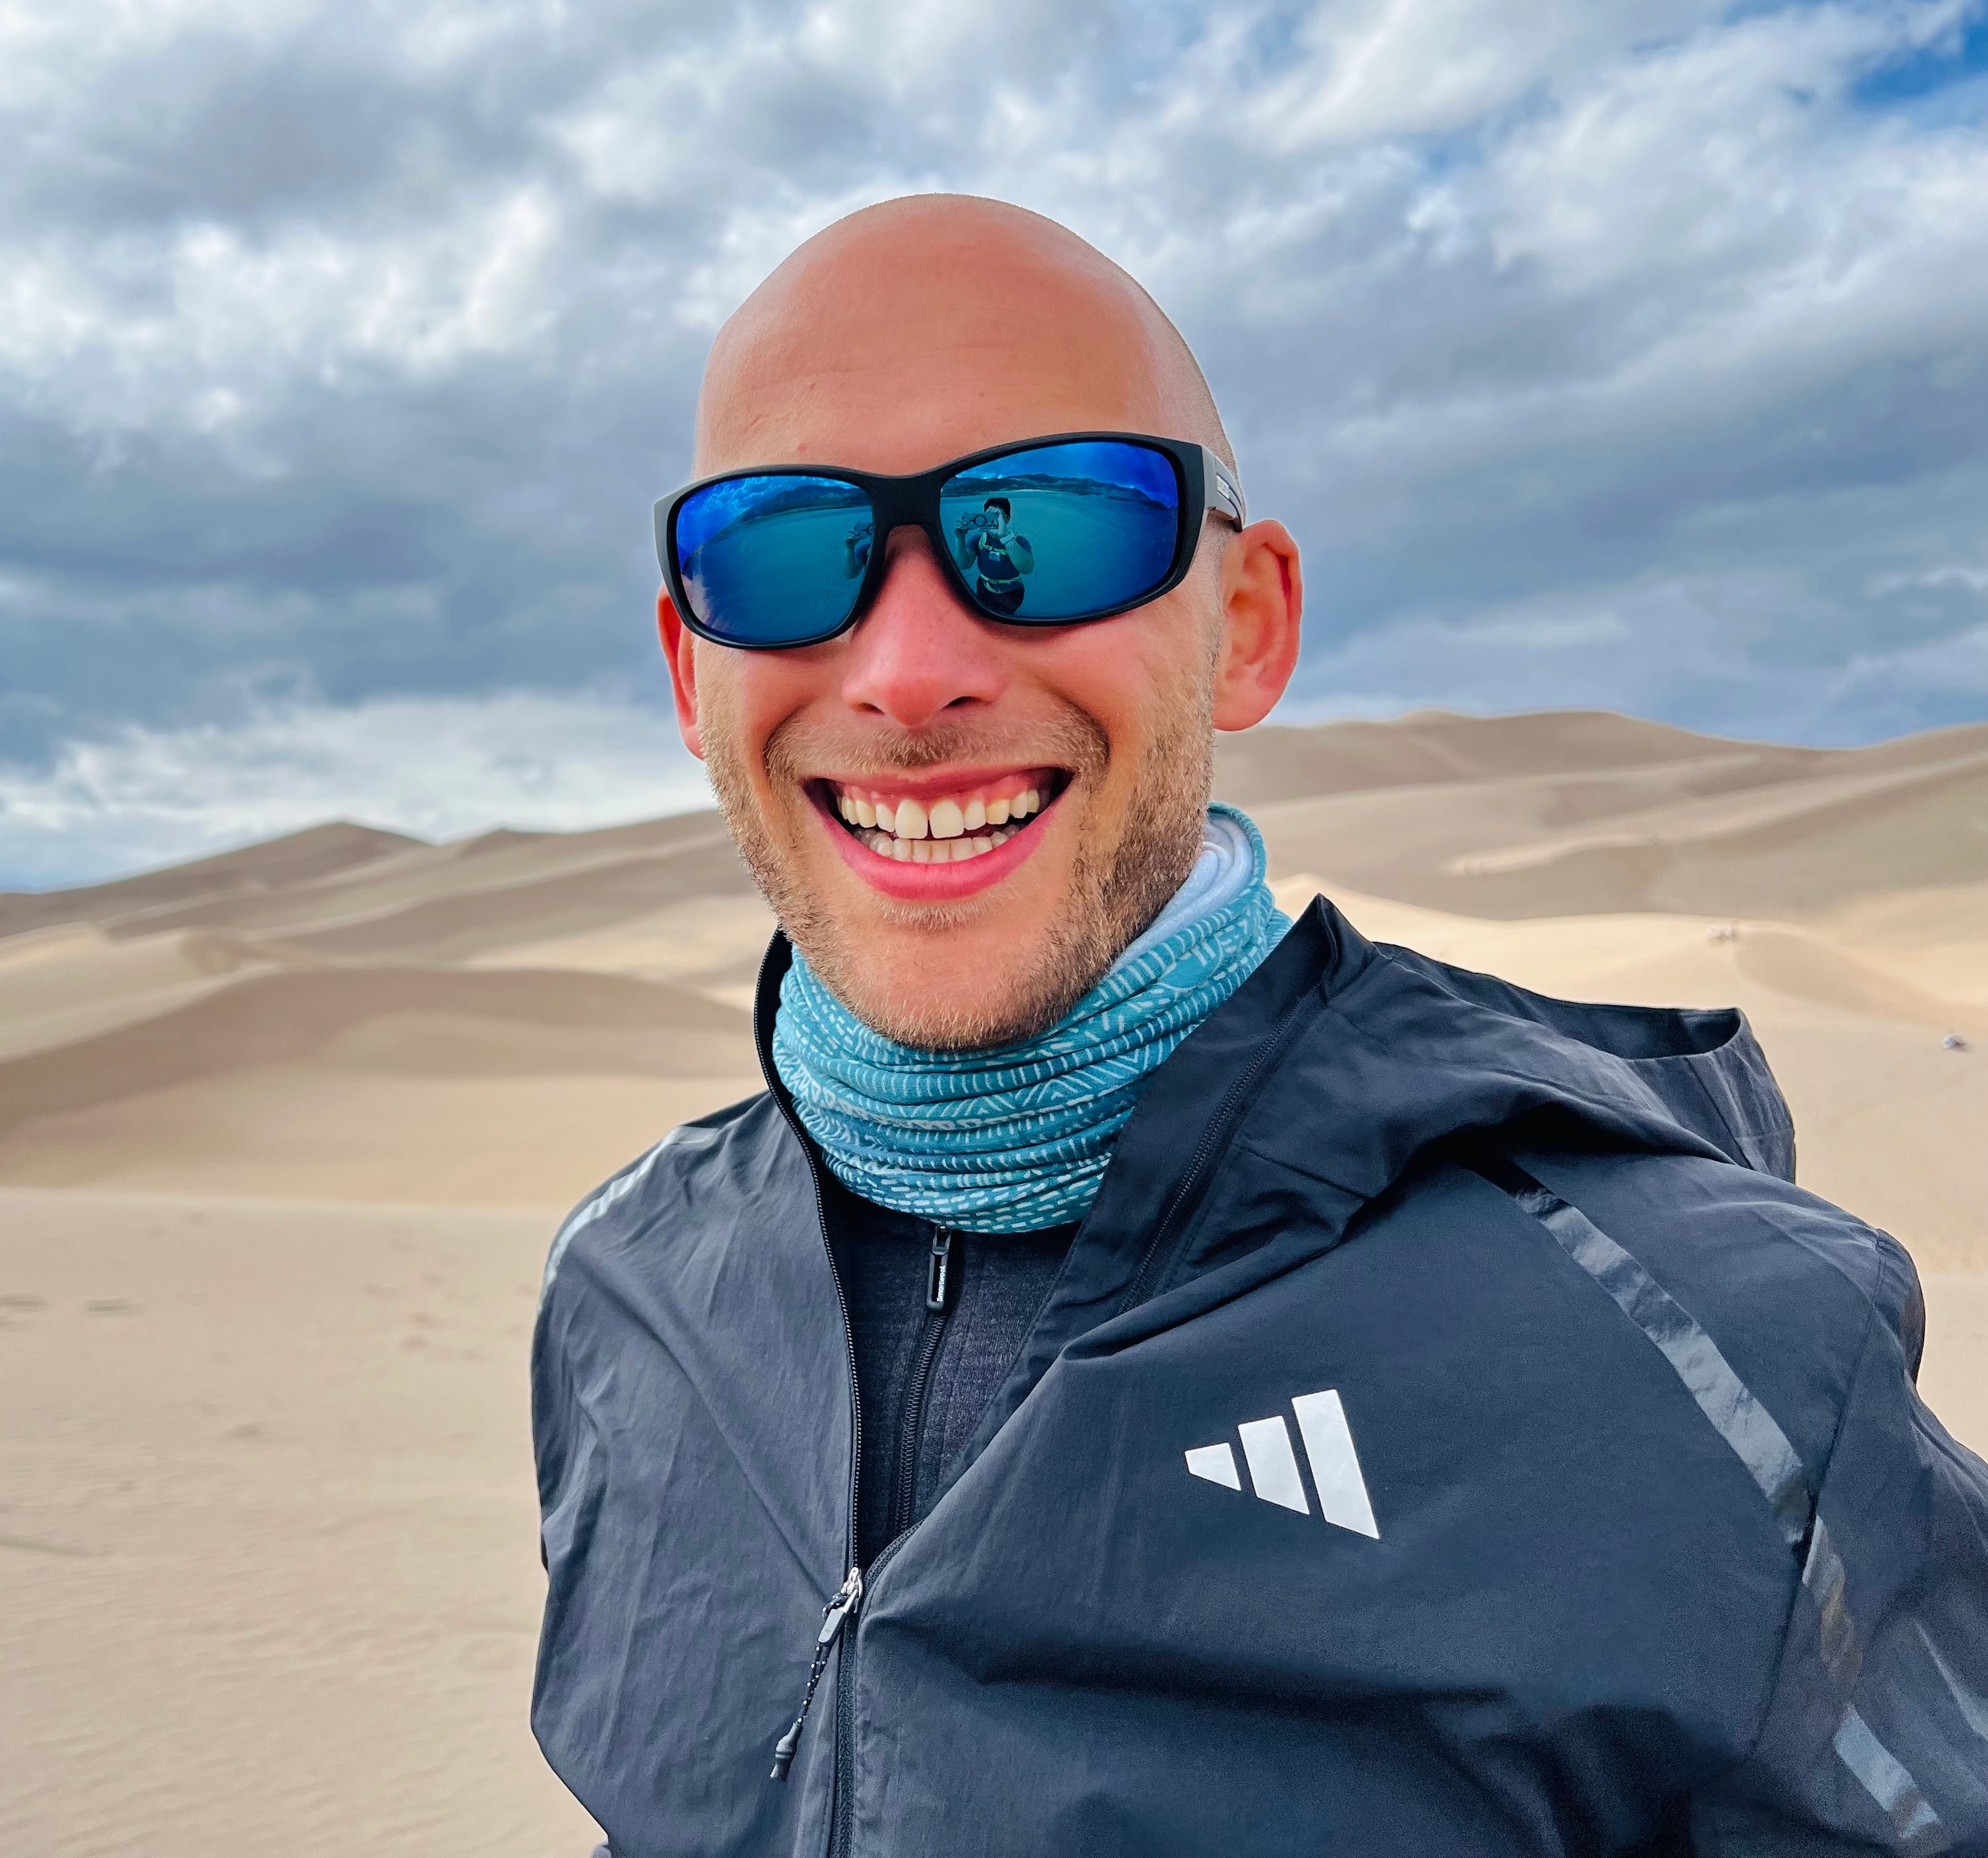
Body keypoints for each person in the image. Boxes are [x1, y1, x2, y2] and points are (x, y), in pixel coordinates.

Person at [531, 195, 1988, 1857]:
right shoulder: (621, 1291)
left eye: (1052, 527)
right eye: (783, 553)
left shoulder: (1709, 1347)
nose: (909, 669)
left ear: (1247, 625)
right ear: (686, 667)